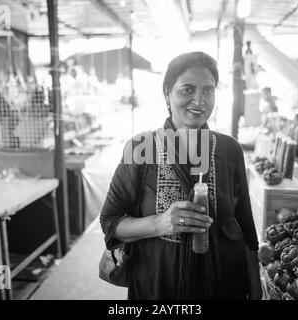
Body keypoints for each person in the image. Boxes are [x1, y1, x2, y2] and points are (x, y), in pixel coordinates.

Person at [99, 52, 262, 300]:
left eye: (208, 90)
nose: (199, 100)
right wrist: (159, 223)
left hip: (224, 284)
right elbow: (111, 222)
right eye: (187, 89)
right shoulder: (141, 148)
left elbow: (247, 230)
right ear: (167, 93)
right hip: (158, 286)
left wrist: (256, 291)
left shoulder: (230, 150)